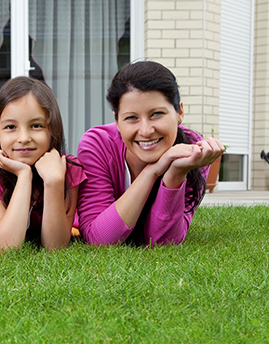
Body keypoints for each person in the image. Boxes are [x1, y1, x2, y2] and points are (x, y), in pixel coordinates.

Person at [76, 61, 225, 246]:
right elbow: (99, 239)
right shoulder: (97, 144)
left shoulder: (192, 148)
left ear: (179, 112)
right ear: (116, 120)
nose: (145, 131)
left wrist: (176, 173)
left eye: (156, 114)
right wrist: (151, 172)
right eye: (131, 118)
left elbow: (163, 242)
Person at [0, 77, 85, 251]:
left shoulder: (67, 168)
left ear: (52, 130)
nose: (24, 138)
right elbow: (7, 245)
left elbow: (55, 246)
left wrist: (54, 182)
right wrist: (24, 175)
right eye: (10, 127)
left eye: (36, 125)